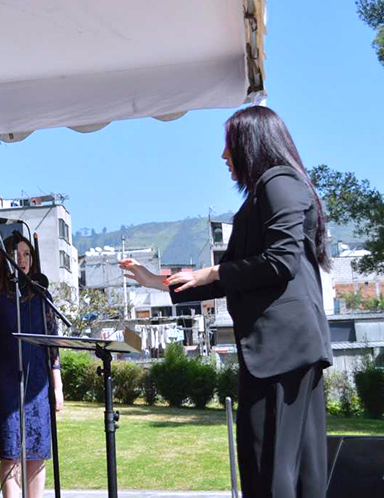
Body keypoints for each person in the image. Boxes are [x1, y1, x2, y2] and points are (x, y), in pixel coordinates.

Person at [120, 105, 332, 498]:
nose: (223, 156)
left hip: (283, 352)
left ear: (252, 144)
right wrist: (157, 282)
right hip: (285, 353)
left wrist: (213, 273)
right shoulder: (265, 193)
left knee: (269, 468)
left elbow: (279, 262)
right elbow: (238, 273)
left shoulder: (279, 181)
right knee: (290, 471)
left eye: (229, 145)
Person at [0, 234, 63, 498]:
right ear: (4, 259)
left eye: (27, 254)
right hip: (4, 382)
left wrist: (57, 386)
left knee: (37, 452)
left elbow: (52, 345)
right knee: (11, 453)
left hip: (38, 381)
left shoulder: (41, 295)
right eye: (16, 254)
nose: (22, 260)